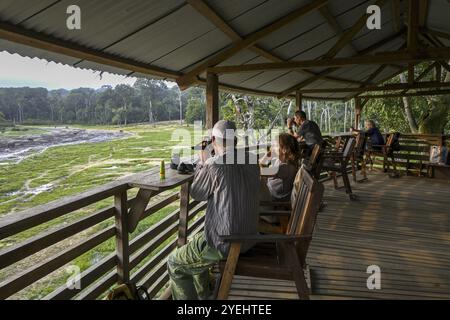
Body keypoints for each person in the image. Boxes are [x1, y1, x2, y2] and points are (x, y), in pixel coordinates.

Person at [167, 120, 260, 300]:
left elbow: (197, 193)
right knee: (196, 245)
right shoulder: (251, 159)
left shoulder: (214, 164)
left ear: (213, 140)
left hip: (225, 244)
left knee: (175, 263)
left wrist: (203, 161)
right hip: (250, 236)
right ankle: (204, 296)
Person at [260, 133, 299, 202]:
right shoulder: (283, 163)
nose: (271, 148)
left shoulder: (285, 168)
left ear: (284, 150)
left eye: (275, 145)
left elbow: (261, 172)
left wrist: (265, 158)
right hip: (273, 193)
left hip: (274, 197)